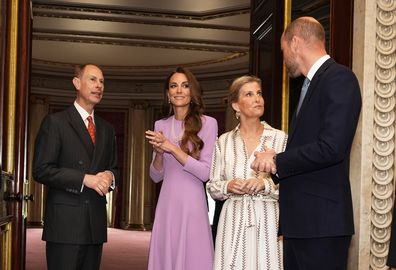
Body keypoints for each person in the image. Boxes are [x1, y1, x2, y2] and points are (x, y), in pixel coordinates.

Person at [250, 17, 362, 270]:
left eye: (283, 50)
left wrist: (278, 160)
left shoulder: (339, 78)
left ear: (296, 43)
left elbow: (332, 147)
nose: (284, 57)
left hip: (322, 224)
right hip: (301, 223)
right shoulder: (309, 86)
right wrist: (276, 159)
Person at [33, 64, 118, 270]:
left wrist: (110, 176)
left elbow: (114, 167)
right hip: (65, 225)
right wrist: (84, 179)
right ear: (76, 83)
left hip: (95, 225)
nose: (99, 86)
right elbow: (41, 169)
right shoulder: (55, 122)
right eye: (93, 79)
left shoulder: (107, 129)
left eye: (102, 82)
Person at [207, 75, 287, 270]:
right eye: (249, 94)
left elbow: (291, 184)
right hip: (232, 218)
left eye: (259, 93)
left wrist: (265, 184)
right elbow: (212, 186)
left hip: (268, 217)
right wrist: (228, 185)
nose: (257, 99)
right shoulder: (223, 142)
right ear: (236, 105)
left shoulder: (279, 138)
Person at [145, 67, 218, 270]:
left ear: (192, 92)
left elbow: (205, 173)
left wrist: (171, 148)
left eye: (185, 86)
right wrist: (160, 153)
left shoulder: (208, 123)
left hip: (193, 204)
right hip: (167, 204)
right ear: (168, 94)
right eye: (173, 86)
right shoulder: (160, 124)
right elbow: (155, 176)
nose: (179, 90)